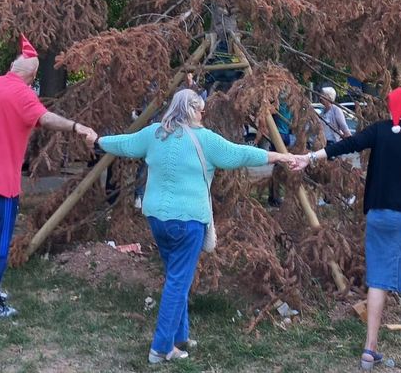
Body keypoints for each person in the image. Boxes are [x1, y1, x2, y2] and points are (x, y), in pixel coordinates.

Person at [96, 89, 295, 364]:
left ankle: (180, 337)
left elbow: (124, 143)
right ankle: (161, 349)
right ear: (191, 111)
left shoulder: (154, 134)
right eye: (200, 110)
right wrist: (279, 157)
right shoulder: (205, 139)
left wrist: (96, 139)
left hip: (157, 219)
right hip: (187, 221)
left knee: (176, 276)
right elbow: (240, 154)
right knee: (178, 283)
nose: (203, 114)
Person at [292, 87, 401, 371]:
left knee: (379, 281)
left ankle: (369, 349)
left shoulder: (379, 131)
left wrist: (310, 157)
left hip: (379, 216)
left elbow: (346, 145)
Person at [0, 35, 97, 318]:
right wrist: (77, 127)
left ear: (12, 67)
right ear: (32, 76)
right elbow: (46, 119)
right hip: (1, 181)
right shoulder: (24, 95)